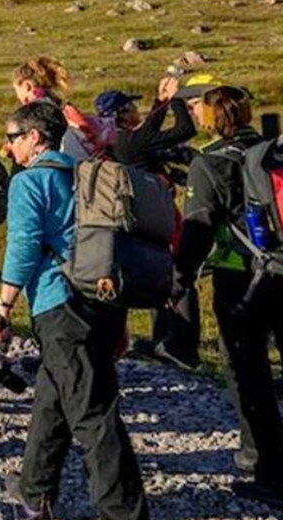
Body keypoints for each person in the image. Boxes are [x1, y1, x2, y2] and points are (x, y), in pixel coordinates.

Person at [0, 99, 150, 520]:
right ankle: (34, 492)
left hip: (61, 304)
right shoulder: (84, 174)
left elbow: (23, 247)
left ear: (35, 138)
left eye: (12, 139)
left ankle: (124, 512)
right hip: (103, 299)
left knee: (94, 414)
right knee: (53, 398)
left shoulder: (29, 182)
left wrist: (3, 308)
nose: (8, 149)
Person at [173, 82, 283, 509]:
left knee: (249, 373)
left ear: (209, 120)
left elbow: (197, 229)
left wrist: (179, 278)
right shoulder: (275, 148)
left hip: (240, 275)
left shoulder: (209, 162)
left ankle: (272, 471)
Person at [111, 78, 202, 371]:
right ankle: (182, 346)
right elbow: (184, 130)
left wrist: (159, 102)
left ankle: (163, 340)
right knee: (180, 276)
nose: (137, 111)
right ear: (122, 115)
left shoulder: (122, 141)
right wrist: (175, 100)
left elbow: (149, 129)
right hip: (162, 217)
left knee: (159, 274)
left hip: (143, 219)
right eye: (131, 107)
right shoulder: (132, 141)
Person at [13, 56, 112, 161]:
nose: (18, 96)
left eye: (16, 90)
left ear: (27, 86)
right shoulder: (58, 104)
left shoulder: (35, 111)